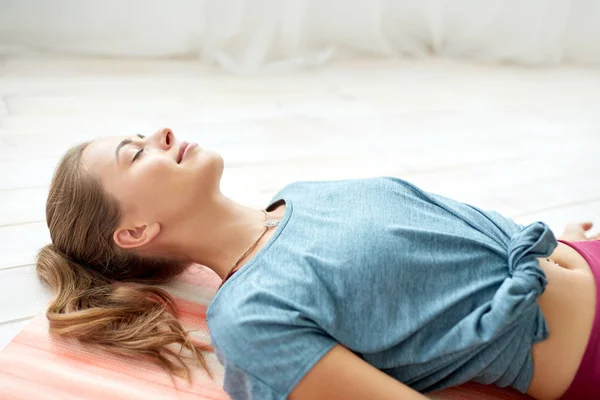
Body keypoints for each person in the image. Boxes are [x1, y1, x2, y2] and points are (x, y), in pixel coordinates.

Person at [37, 127, 599, 400]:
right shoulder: (249, 318)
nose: (160, 133)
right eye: (136, 153)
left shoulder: (301, 193)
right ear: (135, 231)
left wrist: (561, 248)